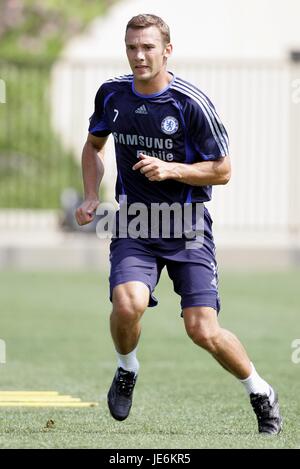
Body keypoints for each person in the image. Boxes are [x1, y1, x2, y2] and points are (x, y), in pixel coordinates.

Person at [75, 14, 282, 434]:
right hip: (134, 222)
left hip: (187, 226)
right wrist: (92, 195)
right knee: (128, 302)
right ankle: (127, 368)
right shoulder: (112, 94)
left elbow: (223, 171)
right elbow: (93, 147)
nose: (139, 55)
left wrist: (173, 170)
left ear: (167, 50)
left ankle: (260, 391)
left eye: (148, 47)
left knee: (202, 330)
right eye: (132, 46)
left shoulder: (190, 103)